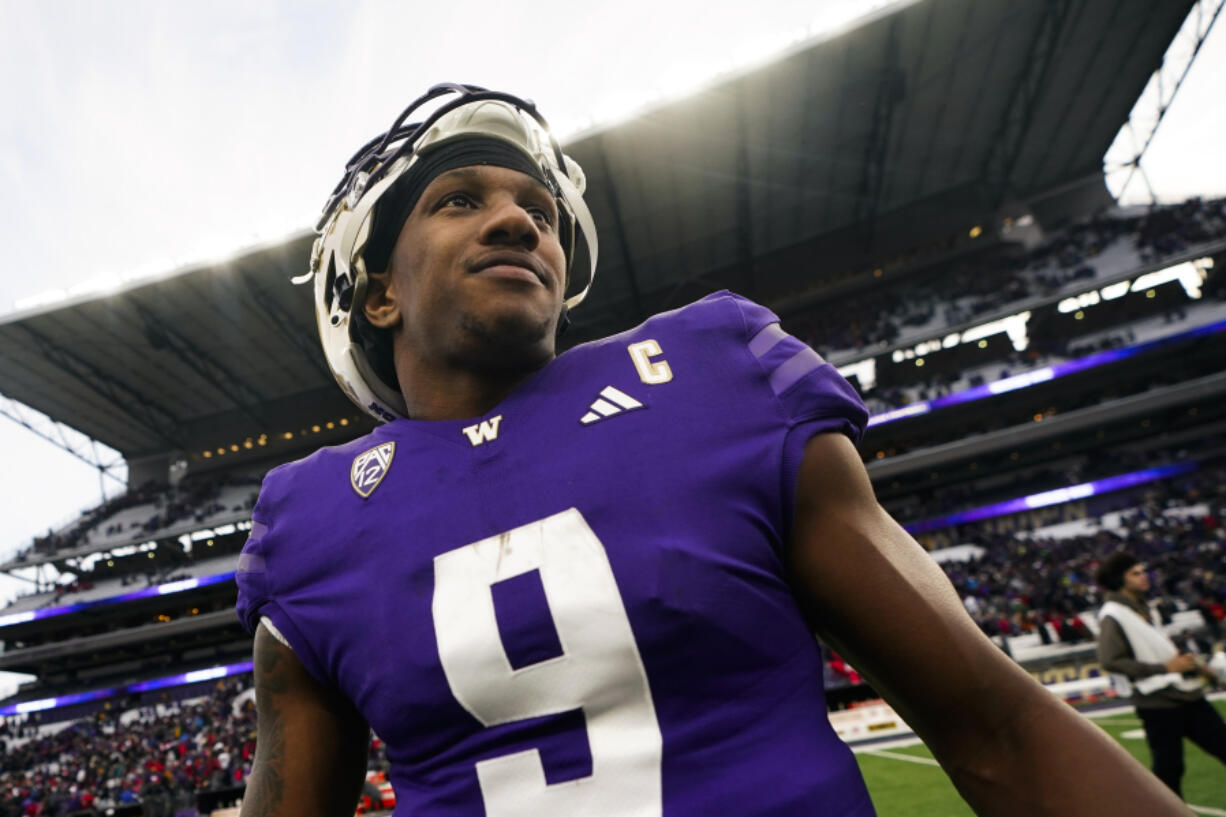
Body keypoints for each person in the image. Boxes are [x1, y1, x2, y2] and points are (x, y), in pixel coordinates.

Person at [235, 83, 1190, 816]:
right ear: (377, 295)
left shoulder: (711, 373)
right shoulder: (309, 525)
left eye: (540, 207)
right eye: (457, 199)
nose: (520, 218)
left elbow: (996, 724)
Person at [1096, 552, 1226, 797]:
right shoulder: (1112, 615)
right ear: (1119, 580)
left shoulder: (1146, 608)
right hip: (1156, 703)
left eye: (1143, 571)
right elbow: (1110, 660)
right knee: (1169, 771)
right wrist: (1165, 668)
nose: (1144, 576)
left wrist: (1188, 665)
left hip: (1184, 694)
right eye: (1135, 573)